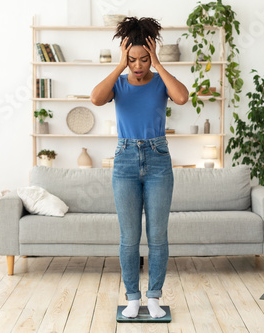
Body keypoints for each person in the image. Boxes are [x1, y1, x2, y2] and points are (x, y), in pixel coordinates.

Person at [91, 17, 189, 318]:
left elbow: (183, 97)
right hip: (125, 160)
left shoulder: (160, 81)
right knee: (129, 236)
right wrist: (119, 65)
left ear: (151, 56)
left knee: (158, 235)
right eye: (132, 59)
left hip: (158, 158)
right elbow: (96, 98)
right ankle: (132, 297)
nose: (138, 65)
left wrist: (159, 64)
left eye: (143, 59)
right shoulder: (118, 84)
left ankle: (155, 297)